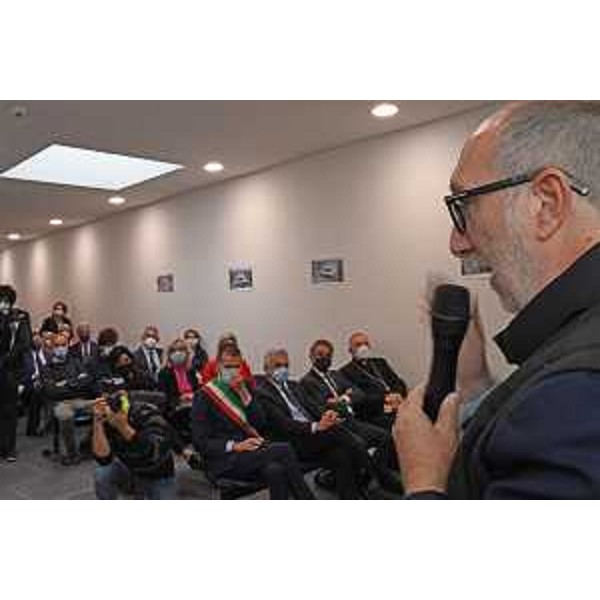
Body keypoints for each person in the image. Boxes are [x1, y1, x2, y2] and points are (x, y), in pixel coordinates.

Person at [394, 101, 600, 500]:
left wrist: (426, 482)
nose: (457, 243)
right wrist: (475, 384)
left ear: (546, 203)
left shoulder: (576, 392)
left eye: (464, 205)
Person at [191, 345, 314, 499]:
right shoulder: (204, 396)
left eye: (237, 366)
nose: (233, 371)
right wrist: (235, 446)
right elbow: (200, 441)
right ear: (218, 367)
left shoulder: (246, 387)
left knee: (275, 470)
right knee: (284, 449)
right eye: (228, 367)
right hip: (224, 458)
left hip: (250, 452)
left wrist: (243, 393)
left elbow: (260, 423)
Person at [256, 348, 379, 499]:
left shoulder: (294, 385)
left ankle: (352, 496)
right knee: (336, 431)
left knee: (340, 455)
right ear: (266, 368)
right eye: (278, 365)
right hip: (293, 441)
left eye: (286, 365)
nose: (283, 369)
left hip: (315, 437)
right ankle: (373, 473)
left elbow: (313, 407)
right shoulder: (262, 392)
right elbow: (283, 424)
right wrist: (316, 426)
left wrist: (327, 415)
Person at [300, 339, 403, 493]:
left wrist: (342, 398)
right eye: (320, 354)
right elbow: (319, 408)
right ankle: (379, 480)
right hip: (338, 425)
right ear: (311, 356)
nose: (324, 358)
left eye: (328, 355)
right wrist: (343, 397)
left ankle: (369, 478)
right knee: (358, 444)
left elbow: (359, 394)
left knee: (385, 437)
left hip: (353, 420)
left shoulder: (336, 374)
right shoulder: (307, 382)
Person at [93, 392, 178, 499]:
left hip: (158, 473)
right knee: (103, 473)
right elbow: (103, 459)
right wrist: (97, 422)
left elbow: (152, 453)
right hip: (130, 469)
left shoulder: (146, 413)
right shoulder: (107, 416)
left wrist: (123, 427)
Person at [40, 332, 99, 465]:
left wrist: (65, 383)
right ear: (52, 348)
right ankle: (72, 454)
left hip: (80, 400)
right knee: (65, 416)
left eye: (63, 345)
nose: (61, 348)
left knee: (103, 408)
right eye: (57, 345)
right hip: (60, 403)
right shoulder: (46, 368)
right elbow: (52, 391)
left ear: (68, 345)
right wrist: (75, 382)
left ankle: (87, 444)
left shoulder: (75, 362)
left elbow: (87, 380)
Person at [340, 331, 408, 428]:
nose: (363, 347)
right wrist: (385, 399)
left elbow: (397, 381)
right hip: (375, 412)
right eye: (358, 345)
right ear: (350, 350)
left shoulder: (380, 362)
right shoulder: (345, 371)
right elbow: (359, 398)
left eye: (366, 344)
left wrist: (398, 395)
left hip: (396, 405)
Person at [0, 285, 32, 462]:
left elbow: (24, 343)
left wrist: (6, 359)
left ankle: (9, 448)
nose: (3, 304)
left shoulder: (21, 316)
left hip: (11, 371)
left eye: (6, 301)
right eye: (1, 301)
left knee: (9, 411)